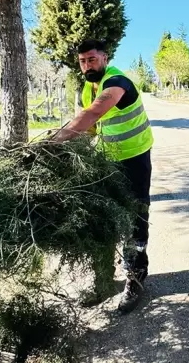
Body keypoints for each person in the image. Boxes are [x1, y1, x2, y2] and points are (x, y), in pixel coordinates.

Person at [47, 39, 154, 314]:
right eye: (82, 61)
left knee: (134, 217)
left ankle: (135, 278)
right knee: (104, 215)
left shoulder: (117, 82)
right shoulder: (88, 87)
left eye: (92, 59)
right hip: (108, 162)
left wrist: (54, 141)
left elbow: (94, 112)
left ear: (105, 58)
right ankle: (104, 279)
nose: (87, 65)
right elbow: (92, 126)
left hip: (134, 160)